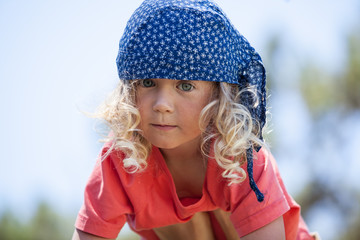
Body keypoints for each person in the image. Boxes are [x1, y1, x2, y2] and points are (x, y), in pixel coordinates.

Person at [72, 0, 319, 239]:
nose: (162, 105)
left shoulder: (241, 156)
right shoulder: (121, 158)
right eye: (148, 83)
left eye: (185, 85)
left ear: (218, 94)